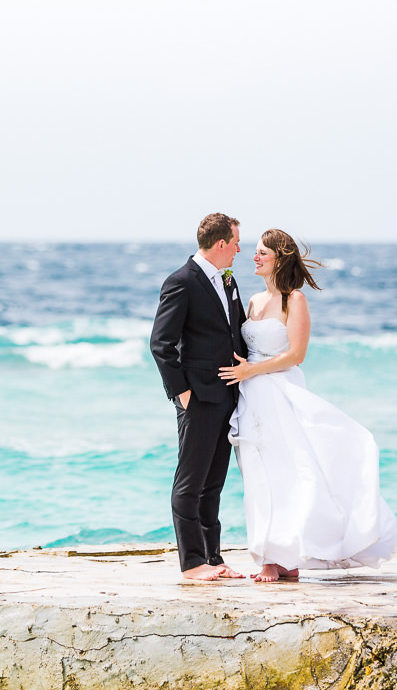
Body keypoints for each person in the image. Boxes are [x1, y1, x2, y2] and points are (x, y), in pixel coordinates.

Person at [218, 229, 397, 582]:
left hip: (280, 394)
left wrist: (251, 370)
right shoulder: (253, 301)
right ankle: (275, 557)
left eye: (262, 252)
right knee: (256, 476)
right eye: (255, 251)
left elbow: (296, 355)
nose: (255, 257)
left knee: (288, 474)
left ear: (279, 259)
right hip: (251, 399)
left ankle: (280, 557)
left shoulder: (295, 300)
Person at [150, 213, 248, 581]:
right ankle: (191, 563)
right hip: (198, 399)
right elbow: (161, 344)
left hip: (227, 395)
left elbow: (234, 332)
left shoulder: (228, 279)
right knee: (190, 483)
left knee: (213, 485)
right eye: (236, 242)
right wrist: (182, 393)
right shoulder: (181, 281)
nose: (239, 249)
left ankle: (213, 558)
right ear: (221, 243)